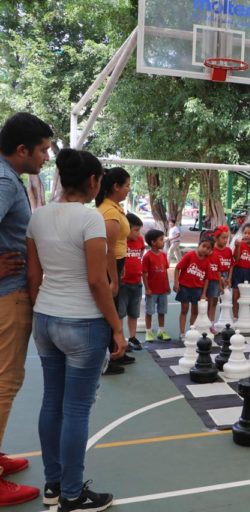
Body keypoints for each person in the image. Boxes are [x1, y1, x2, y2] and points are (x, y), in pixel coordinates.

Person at [27, 148, 126, 511]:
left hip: (46, 320)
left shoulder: (38, 217)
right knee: (77, 409)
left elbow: (34, 277)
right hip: (83, 324)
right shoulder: (90, 220)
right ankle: (72, 494)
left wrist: (44, 310)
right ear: (93, 181)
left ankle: (53, 485)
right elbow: (97, 282)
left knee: (52, 402)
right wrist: (117, 328)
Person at [0, 112, 52, 506]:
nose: (46, 158)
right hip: (8, 296)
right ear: (22, 150)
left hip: (10, 292)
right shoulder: (4, 180)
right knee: (5, 384)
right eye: (43, 150)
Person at [96, 166, 134, 371]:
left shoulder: (114, 208)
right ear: (115, 186)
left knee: (114, 310)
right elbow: (108, 250)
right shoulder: (109, 212)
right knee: (108, 312)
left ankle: (116, 352)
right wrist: (114, 279)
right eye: (126, 185)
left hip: (116, 265)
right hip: (109, 266)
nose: (129, 189)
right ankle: (107, 358)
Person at [174, 237, 212, 336]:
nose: (205, 249)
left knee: (195, 311)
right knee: (184, 309)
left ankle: (191, 331)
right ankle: (182, 333)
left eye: (208, 248)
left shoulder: (207, 261)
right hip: (185, 287)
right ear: (199, 245)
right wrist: (176, 283)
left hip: (197, 289)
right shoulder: (190, 255)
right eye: (203, 246)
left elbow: (207, 279)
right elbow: (177, 268)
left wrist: (204, 293)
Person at [119, 213, 145, 351]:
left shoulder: (140, 240)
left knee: (134, 312)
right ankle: (120, 338)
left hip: (136, 282)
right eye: (135, 230)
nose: (138, 233)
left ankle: (132, 337)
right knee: (120, 313)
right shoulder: (120, 241)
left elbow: (142, 251)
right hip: (123, 284)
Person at [141, 229, 172, 342]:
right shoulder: (147, 256)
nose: (163, 242)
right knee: (149, 311)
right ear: (153, 242)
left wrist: (167, 285)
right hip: (152, 290)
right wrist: (147, 288)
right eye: (161, 240)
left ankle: (161, 331)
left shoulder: (163, 255)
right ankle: (148, 332)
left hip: (163, 289)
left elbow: (165, 272)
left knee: (162, 311)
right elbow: (144, 274)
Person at [231, 223, 250, 320]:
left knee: (246, 297)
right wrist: (238, 247)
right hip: (238, 272)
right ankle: (235, 317)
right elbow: (236, 259)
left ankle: (244, 317)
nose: (246, 235)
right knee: (235, 296)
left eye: (249, 233)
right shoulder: (240, 245)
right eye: (245, 233)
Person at [206, 225, 232, 326]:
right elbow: (215, 267)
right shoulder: (212, 251)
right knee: (211, 300)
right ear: (216, 238)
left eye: (227, 238)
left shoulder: (228, 250)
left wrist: (229, 278)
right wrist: (220, 278)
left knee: (223, 299)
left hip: (225, 276)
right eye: (223, 238)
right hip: (214, 277)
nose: (225, 240)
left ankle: (220, 321)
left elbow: (231, 265)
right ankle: (208, 322)